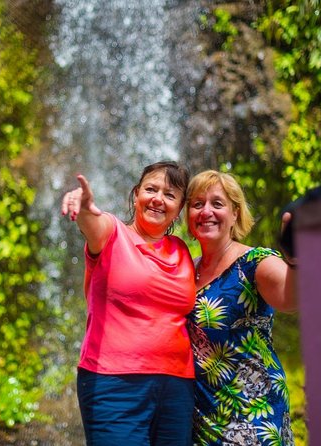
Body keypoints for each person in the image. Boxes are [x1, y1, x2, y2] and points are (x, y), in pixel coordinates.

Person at [60, 161, 196, 446]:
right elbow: (93, 223)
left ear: (180, 208)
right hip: (114, 383)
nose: (158, 198)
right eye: (151, 189)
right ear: (136, 195)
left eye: (170, 195)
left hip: (177, 386)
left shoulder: (182, 250)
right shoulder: (112, 233)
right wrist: (84, 208)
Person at [185, 170, 297, 446]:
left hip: (253, 414)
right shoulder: (187, 268)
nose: (206, 211)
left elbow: (291, 298)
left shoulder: (256, 262)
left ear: (235, 213)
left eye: (217, 204)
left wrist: (296, 261)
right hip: (203, 418)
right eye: (197, 204)